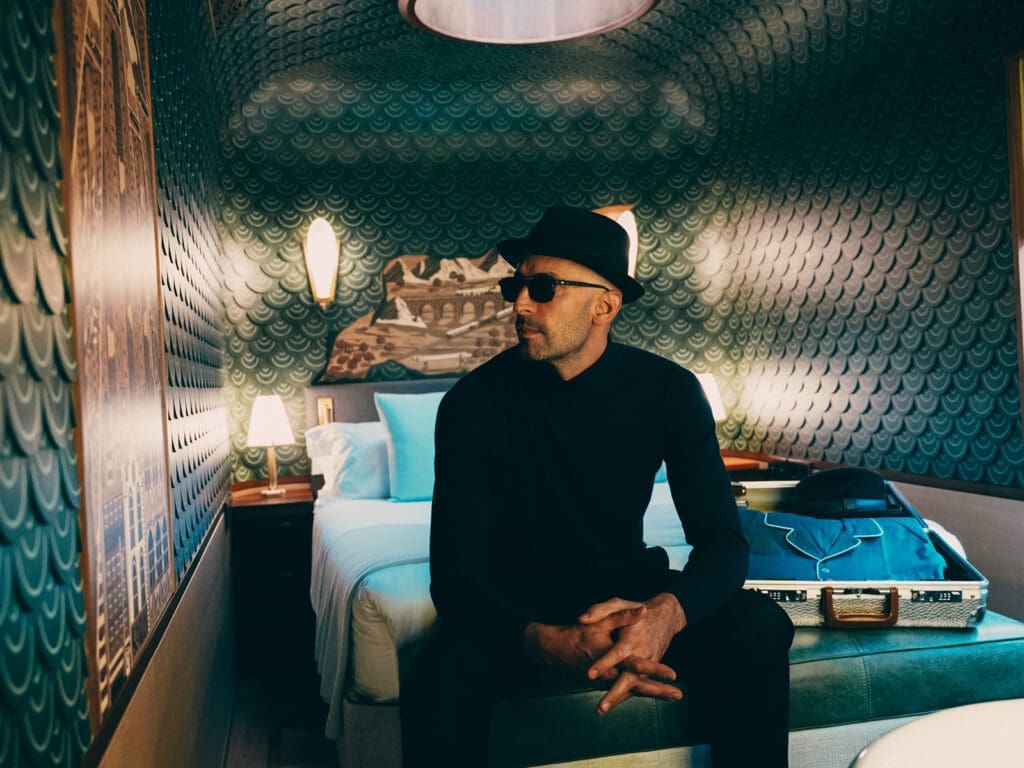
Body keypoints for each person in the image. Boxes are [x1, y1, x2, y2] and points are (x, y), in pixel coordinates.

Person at [400, 205, 794, 767]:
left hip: (626, 592)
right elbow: (456, 577)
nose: (520, 304)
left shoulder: (670, 391)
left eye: (543, 288)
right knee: (438, 671)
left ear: (605, 306)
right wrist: (545, 642)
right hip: (516, 604)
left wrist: (662, 619)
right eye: (515, 286)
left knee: (760, 624)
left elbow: (723, 543)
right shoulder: (473, 404)